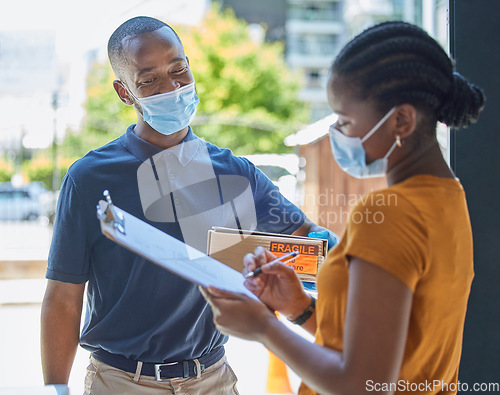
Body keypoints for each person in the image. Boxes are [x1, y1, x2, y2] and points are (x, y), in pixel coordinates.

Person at [40, 16, 335, 394]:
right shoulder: (90, 178)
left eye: (179, 70)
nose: (172, 87)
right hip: (121, 382)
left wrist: (359, 259)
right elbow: (64, 297)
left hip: (212, 380)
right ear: (124, 91)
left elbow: (313, 249)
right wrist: (54, 388)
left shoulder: (235, 173)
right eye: (149, 80)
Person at [201, 21, 485, 395]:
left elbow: (362, 384)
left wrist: (263, 329)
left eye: (346, 121)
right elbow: (388, 352)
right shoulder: (450, 196)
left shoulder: (391, 212)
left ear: (401, 119)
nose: (337, 133)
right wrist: (300, 309)